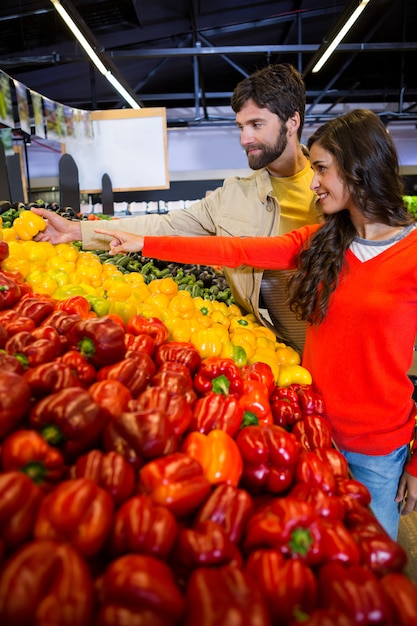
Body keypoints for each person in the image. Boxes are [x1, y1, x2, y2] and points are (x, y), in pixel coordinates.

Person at [93, 108, 417, 540]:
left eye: (321, 169)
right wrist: (142, 243)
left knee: (372, 573)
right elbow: (235, 250)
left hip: (378, 450)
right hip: (310, 431)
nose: (314, 182)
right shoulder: (318, 244)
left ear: (359, 167)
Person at [32, 63, 321, 354]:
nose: (244, 139)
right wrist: (75, 230)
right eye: (240, 127)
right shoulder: (234, 195)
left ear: (292, 122)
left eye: (256, 125)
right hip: (268, 348)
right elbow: (167, 225)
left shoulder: (335, 191)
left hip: (328, 344)